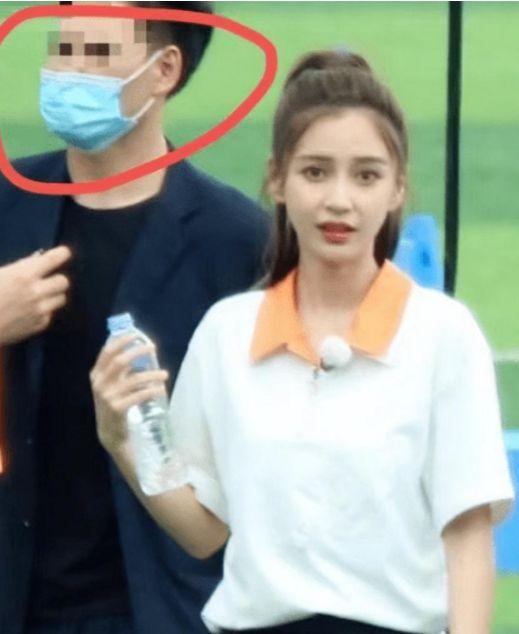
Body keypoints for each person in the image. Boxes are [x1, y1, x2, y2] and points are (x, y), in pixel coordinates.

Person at [92, 49, 516, 634]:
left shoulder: (443, 334)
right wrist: (121, 440)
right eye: (315, 172)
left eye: (366, 175)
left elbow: (467, 532)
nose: (339, 200)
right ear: (278, 179)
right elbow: (203, 531)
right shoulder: (226, 332)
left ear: (397, 188)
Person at [0, 2, 270, 634]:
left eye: (95, 54)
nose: (68, 72)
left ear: (164, 70)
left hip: (164, 606)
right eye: (63, 49)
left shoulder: (238, 243)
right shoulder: (7, 205)